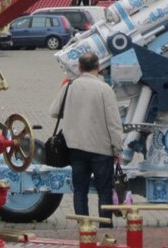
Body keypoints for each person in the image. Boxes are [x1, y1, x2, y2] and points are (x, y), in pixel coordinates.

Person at [49, 52, 124, 228]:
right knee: (104, 190)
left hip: (75, 147)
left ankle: (84, 227)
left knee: (80, 190)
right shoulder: (104, 89)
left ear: (79, 68)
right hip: (101, 149)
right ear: (98, 68)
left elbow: (53, 111)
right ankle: (105, 228)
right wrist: (118, 148)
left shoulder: (70, 86)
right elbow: (113, 123)